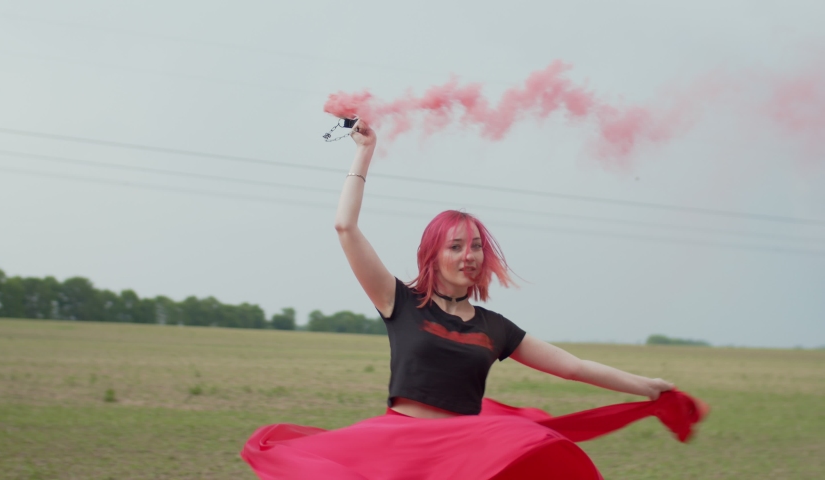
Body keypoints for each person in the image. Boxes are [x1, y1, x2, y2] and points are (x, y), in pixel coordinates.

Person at [241, 120, 705, 480]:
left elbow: (571, 366)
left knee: (530, 442)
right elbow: (345, 227)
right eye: (456, 246)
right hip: (399, 450)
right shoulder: (399, 301)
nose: (468, 256)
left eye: (476, 246)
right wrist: (365, 152)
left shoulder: (494, 327)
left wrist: (646, 385)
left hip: (463, 457)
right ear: (433, 254)